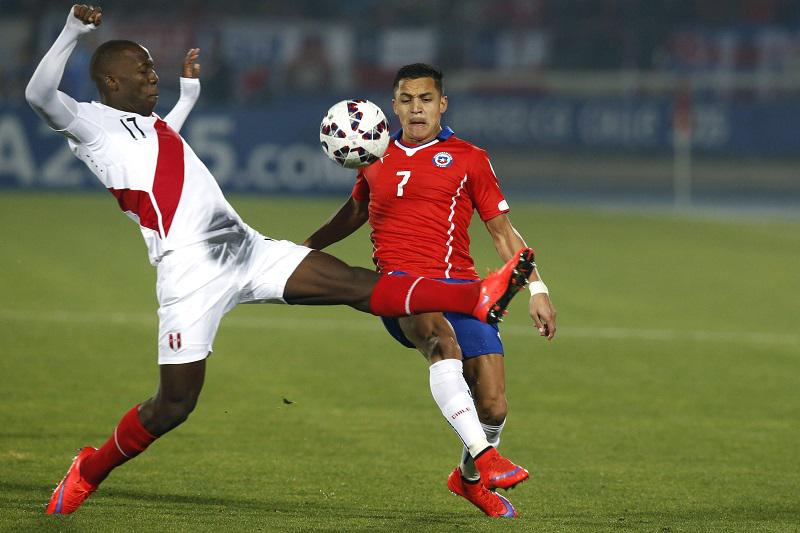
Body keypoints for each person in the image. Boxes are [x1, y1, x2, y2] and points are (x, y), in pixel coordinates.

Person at [26, 7, 539, 516]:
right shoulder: (90, 126)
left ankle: (476, 298)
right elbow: (39, 95)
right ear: (111, 80)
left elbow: (161, 142)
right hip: (190, 272)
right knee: (174, 405)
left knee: (358, 285)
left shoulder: (148, 125)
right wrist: (74, 30)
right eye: (143, 69)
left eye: (153, 68)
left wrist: (188, 97)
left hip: (245, 247)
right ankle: (89, 470)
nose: (153, 74)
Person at [304, 63, 557, 518]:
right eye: (407, 99)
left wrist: (536, 285)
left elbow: (501, 232)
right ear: (394, 106)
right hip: (400, 287)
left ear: (442, 104)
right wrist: (303, 248)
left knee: (494, 406)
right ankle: (486, 457)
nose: (416, 108)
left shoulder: (469, 157)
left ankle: (468, 479)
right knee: (440, 341)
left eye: (425, 99)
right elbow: (353, 214)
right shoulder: (374, 154)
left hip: (461, 288)